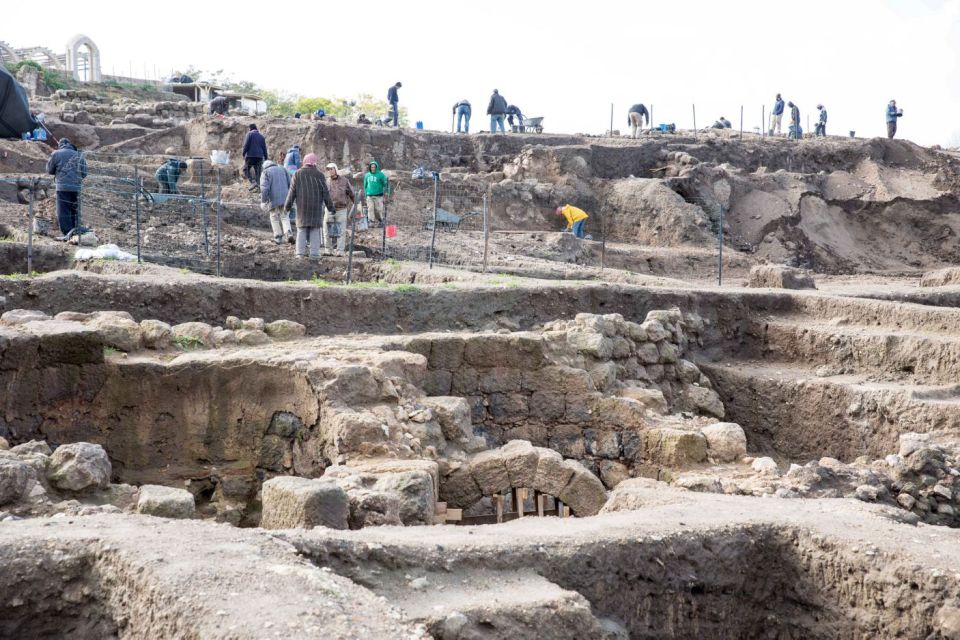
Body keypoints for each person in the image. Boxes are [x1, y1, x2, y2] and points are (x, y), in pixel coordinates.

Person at [284, 153, 334, 259]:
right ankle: (314, 254)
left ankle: (299, 254)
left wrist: (287, 207)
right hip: (315, 210)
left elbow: (291, 193)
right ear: (314, 162)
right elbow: (326, 193)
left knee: (301, 230)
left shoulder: (297, 174)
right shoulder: (320, 175)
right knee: (314, 230)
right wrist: (331, 208)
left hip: (302, 209)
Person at [46, 138, 88, 239]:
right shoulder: (79, 155)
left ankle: (67, 234)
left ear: (60, 145)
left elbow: (50, 170)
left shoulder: (56, 154)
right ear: (70, 144)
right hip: (76, 187)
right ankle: (75, 232)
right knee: (75, 210)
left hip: (62, 187)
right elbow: (84, 173)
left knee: (63, 210)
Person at [324, 163, 355, 256]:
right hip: (329, 209)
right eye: (328, 169)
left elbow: (351, 193)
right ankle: (328, 250)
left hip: (341, 209)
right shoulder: (326, 181)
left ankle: (340, 251)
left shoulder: (344, 181)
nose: (329, 171)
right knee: (326, 230)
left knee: (341, 231)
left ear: (336, 169)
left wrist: (357, 204)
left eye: (331, 169)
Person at [260, 158, 292, 245]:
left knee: (274, 217)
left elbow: (264, 189)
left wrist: (263, 201)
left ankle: (278, 236)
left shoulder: (265, 172)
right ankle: (288, 233)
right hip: (285, 197)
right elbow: (290, 182)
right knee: (285, 216)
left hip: (273, 199)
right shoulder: (282, 168)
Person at [363, 160, 390, 226]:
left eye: (374, 167)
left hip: (379, 195)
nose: (373, 168)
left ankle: (381, 221)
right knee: (370, 209)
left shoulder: (381, 175)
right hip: (370, 195)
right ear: (370, 167)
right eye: (372, 167)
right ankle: (371, 222)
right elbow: (365, 185)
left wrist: (387, 192)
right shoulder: (367, 175)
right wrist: (366, 194)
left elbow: (386, 183)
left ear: (376, 167)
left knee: (378, 209)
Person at [242, 123, 268, 192]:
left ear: (250, 128)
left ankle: (253, 182)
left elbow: (246, 145)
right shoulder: (261, 137)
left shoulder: (249, 134)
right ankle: (259, 188)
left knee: (245, 169)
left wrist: (243, 153)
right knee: (258, 172)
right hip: (259, 157)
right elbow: (264, 148)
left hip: (251, 155)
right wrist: (266, 157)